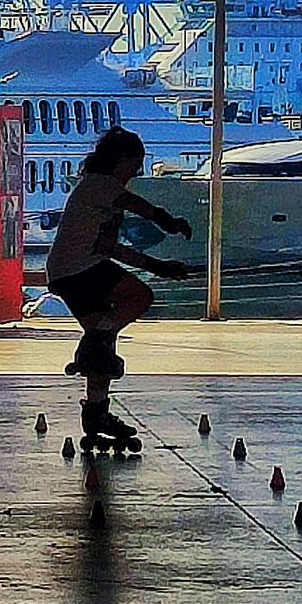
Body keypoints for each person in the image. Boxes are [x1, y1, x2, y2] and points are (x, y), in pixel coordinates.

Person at [44, 128, 192, 451]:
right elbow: (137, 204)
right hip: (80, 269)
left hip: (66, 272)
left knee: (102, 346)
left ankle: (96, 413)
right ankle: (94, 342)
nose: (135, 174)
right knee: (141, 297)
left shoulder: (99, 196)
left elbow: (111, 249)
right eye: (134, 165)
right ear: (121, 159)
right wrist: (166, 220)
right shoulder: (100, 185)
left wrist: (159, 267)